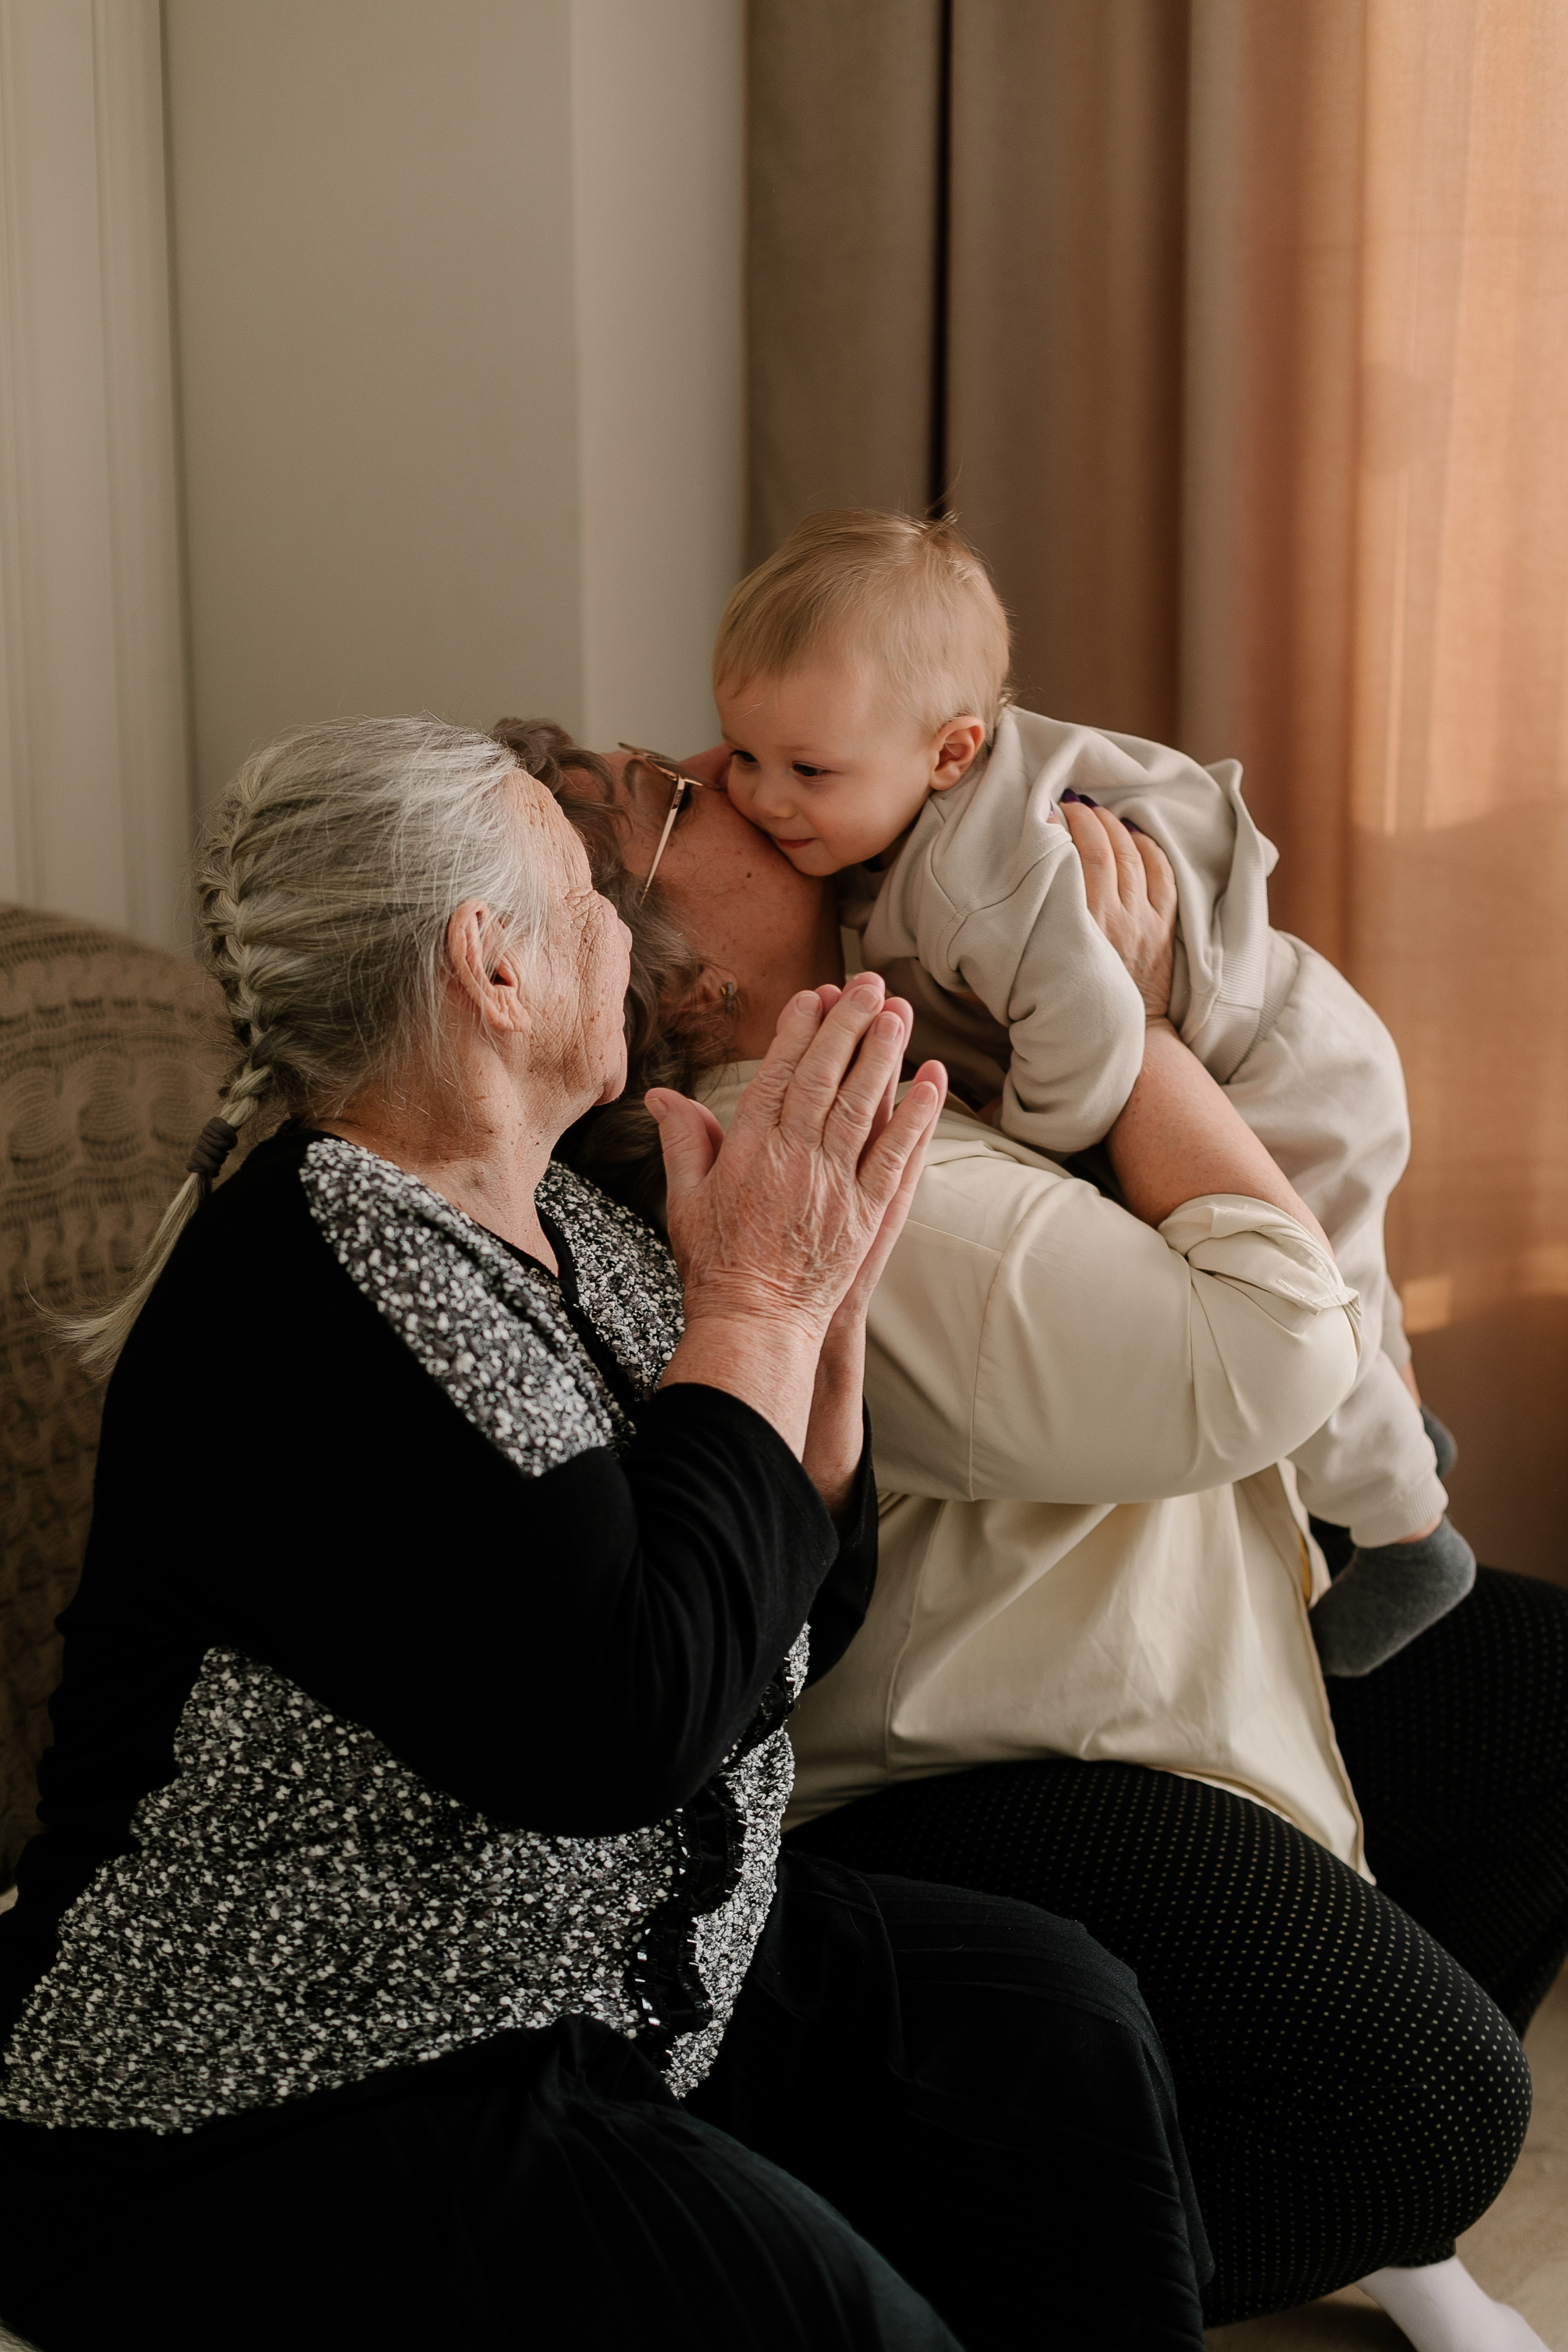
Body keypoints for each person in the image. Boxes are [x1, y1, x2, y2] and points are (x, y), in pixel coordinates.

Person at [0, 716, 1215, 2352]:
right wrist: (762, 1308)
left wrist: (818, 1325)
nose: (623, 931)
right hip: (299, 2059)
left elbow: (771, 1630)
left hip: (588, 1931)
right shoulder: (316, 1292)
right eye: (582, 894)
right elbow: (627, 1722)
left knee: (1050, 2028)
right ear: (488, 966)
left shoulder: (568, 1218)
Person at [545, 720, 1564, 2352]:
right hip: (971, 1768)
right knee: (1429, 2104)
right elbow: (1270, 1349)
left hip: (1145, 1677)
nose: (734, 773)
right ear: (679, 984)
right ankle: (997, 2264)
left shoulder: (907, 1025)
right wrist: (1137, 1016)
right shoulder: (804, 1148)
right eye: (684, 795)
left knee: (1533, 1687)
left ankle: (1330, 2206)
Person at [709, 508, 1474, 1681]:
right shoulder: (895, 816)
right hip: (1283, 1033)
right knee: (1358, 1281)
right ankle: (1408, 1437)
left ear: (952, 752)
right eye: (741, 754)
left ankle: (1409, 1531)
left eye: (807, 771)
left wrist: (1037, 1152)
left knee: (1332, 1298)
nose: (761, 798)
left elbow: (1098, 1041)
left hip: (1288, 1064)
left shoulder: (979, 884)